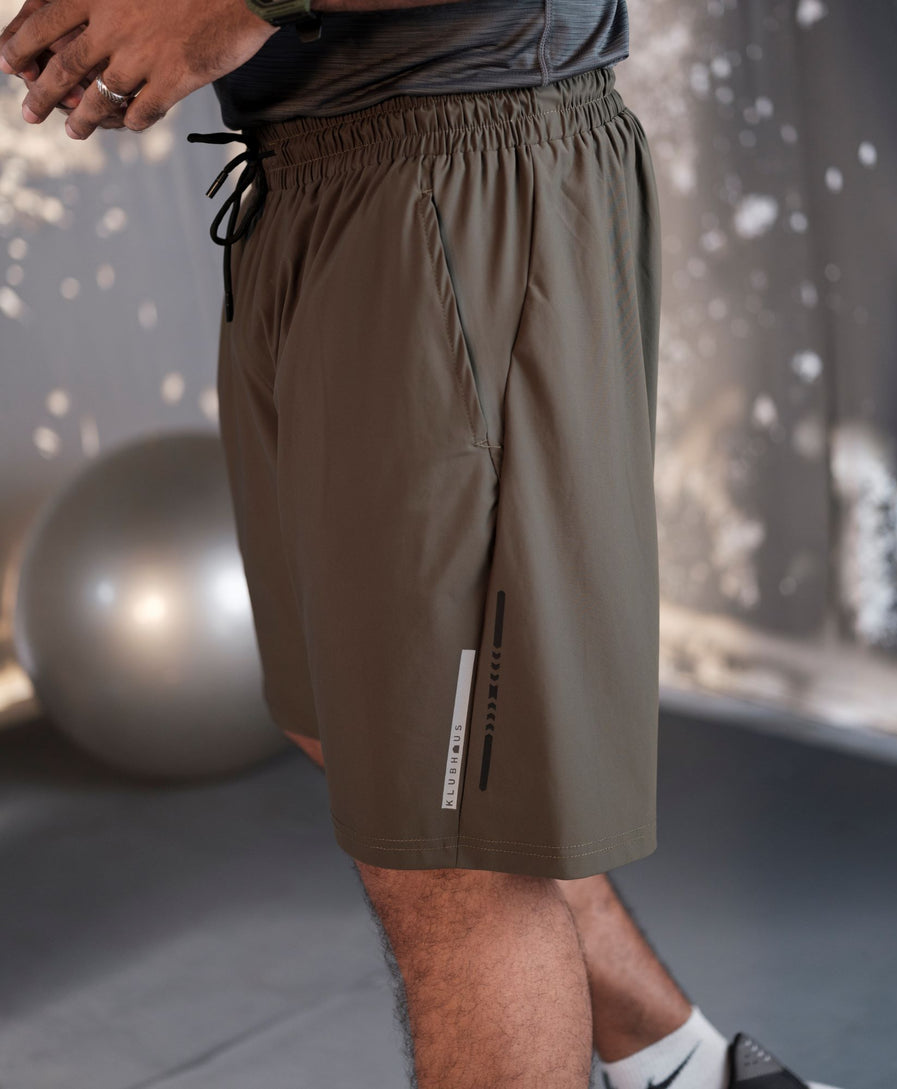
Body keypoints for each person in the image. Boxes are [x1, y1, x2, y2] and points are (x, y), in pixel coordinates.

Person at [2, 3, 845, 1087]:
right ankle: (680, 1068)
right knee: (374, 745)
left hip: (456, 172)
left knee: (458, 841)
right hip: (304, 180)